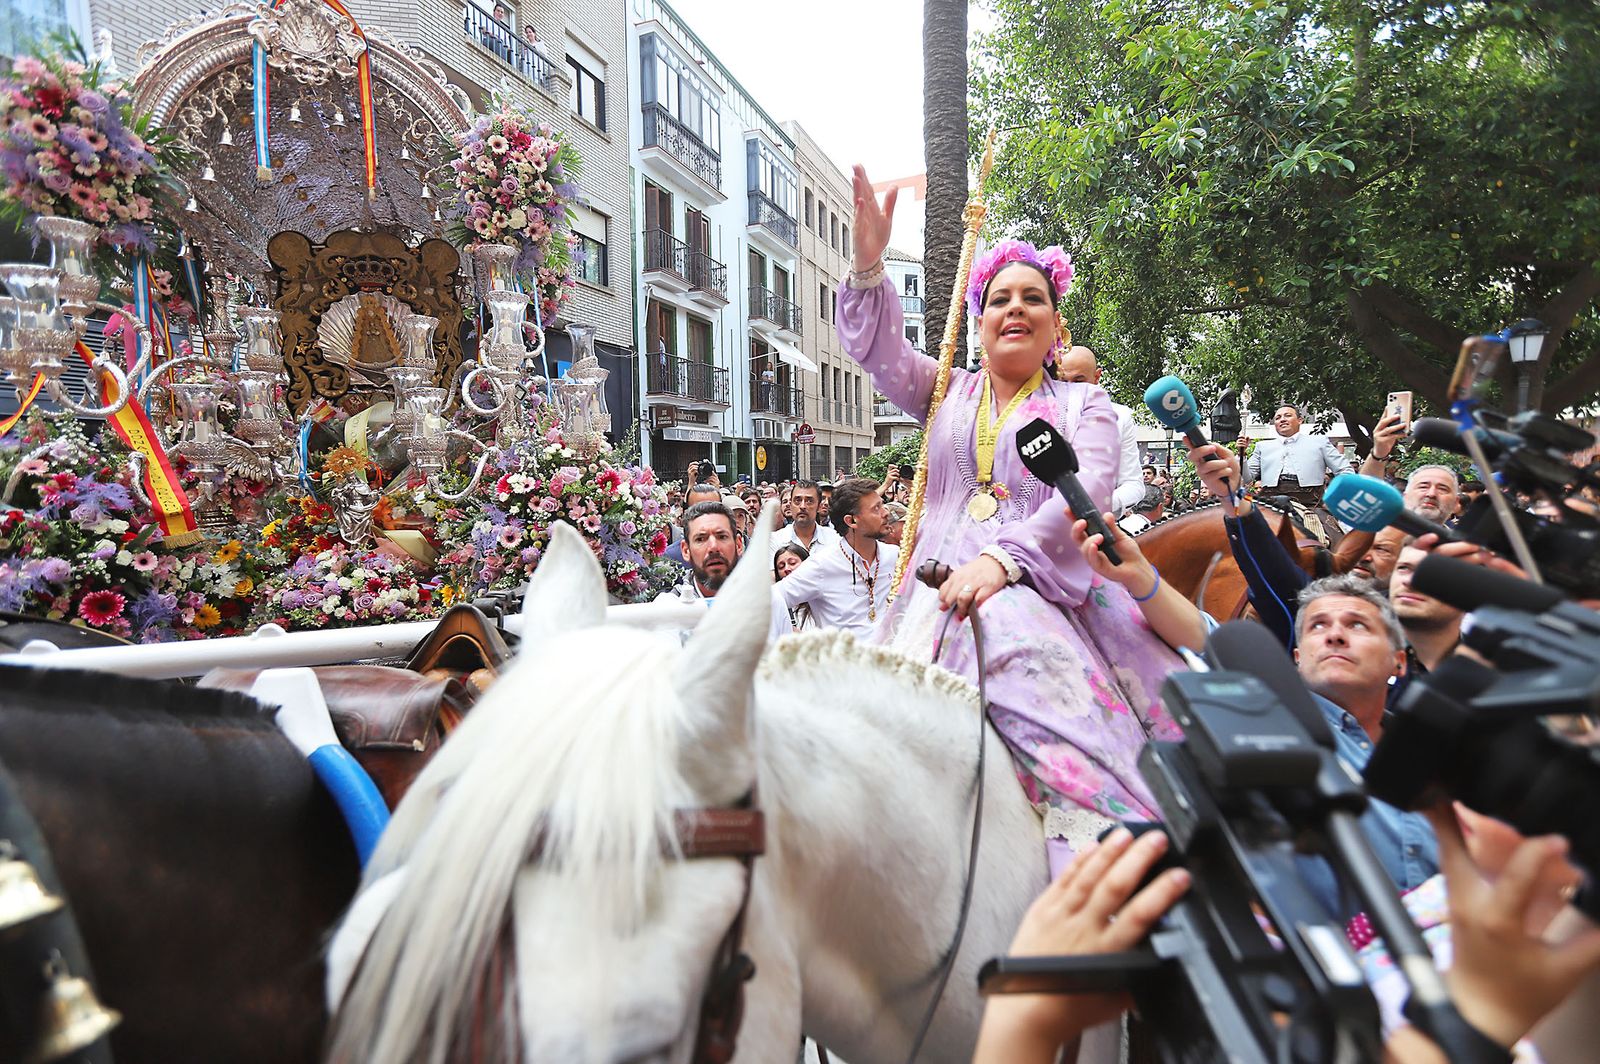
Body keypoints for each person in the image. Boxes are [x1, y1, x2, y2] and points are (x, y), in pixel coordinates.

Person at [842, 166, 1185, 874]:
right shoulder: (944, 388)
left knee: (1081, 734)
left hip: (1049, 589)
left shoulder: (1086, 406)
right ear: (979, 322)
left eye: (1034, 297)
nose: (1016, 309)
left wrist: (1002, 561)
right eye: (1000, 299)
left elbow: (1085, 490)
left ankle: (1097, 858)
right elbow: (878, 353)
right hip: (934, 591)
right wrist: (869, 266)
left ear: (1057, 324)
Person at [1290, 575, 1438, 917]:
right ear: (1298, 657)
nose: (1335, 636)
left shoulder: (1439, 757)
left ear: (1399, 661)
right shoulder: (1273, 732)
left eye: (1357, 625)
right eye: (1317, 626)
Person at [772, 478, 898, 639]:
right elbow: (768, 602)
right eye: (876, 509)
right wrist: (802, 640)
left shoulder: (894, 556)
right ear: (851, 521)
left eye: (882, 505)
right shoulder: (821, 565)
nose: (886, 513)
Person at [655, 500, 789, 642]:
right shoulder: (668, 609)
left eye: (722, 537)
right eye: (701, 539)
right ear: (685, 550)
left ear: (739, 544)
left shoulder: (770, 601)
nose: (713, 547)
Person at [1056, 345, 1145, 517]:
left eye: (1079, 381)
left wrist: (1099, 504)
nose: (1070, 388)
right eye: (1062, 381)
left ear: (1097, 377)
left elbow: (1133, 485)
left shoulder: (1120, 416)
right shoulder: (1037, 415)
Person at [1244, 403, 1353, 509]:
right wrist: (1242, 455)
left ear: (1300, 420)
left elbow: (1345, 470)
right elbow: (1246, 479)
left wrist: (1336, 496)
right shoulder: (1262, 446)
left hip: (1311, 503)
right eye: (1278, 418)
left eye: (1288, 415)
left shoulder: (1319, 442)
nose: (1282, 419)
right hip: (1270, 502)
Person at [661, 482, 721, 569]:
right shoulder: (670, 557)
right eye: (698, 511)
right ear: (686, 514)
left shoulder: (734, 553)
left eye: (713, 510)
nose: (706, 517)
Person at [771, 479, 837, 553]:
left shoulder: (834, 539)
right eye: (797, 500)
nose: (802, 506)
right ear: (791, 505)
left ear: (819, 506)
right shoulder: (775, 541)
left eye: (809, 501)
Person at [773, 544, 816, 631]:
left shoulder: (820, 599)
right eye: (781, 567)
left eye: (792, 563)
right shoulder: (777, 603)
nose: (786, 569)